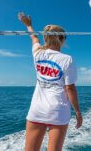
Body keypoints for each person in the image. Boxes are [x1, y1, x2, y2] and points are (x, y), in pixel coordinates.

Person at [18, 12, 83, 151]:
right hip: (58, 111)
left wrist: (28, 25)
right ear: (61, 39)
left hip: (37, 109)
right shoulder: (67, 59)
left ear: (46, 38)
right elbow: (70, 89)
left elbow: (33, 37)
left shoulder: (37, 53)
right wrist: (78, 112)